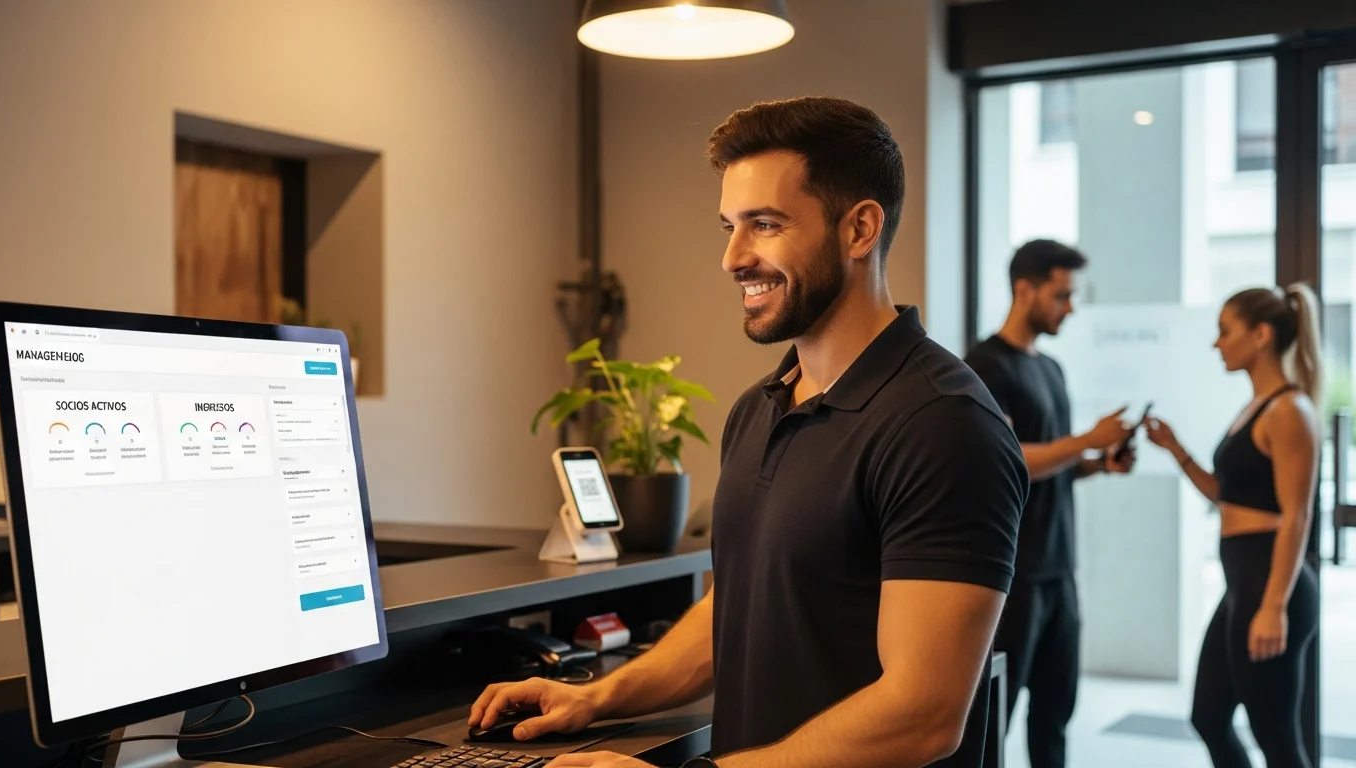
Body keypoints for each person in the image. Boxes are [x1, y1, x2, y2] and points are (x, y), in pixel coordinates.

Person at [469, 96, 1028, 768]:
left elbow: (923, 714)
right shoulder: (760, 407)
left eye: (764, 225)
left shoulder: (942, 424)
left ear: (859, 230)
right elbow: (739, 608)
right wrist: (597, 697)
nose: (733, 257)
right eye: (729, 227)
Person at [962, 239, 1137, 768]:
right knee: (998, 717)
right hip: (1014, 578)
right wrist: (1085, 440)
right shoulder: (985, 365)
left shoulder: (1052, 369)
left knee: (1055, 716)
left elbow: (1051, 461)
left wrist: (1097, 462)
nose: (1070, 307)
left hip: (1059, 571)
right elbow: (1011, 460)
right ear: (1024, 289)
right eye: (1062, 295)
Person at [1144, 285, 1322, 768]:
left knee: (1278, 740)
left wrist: (1273, 607)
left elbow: (1296, 516)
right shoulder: (1255, 408)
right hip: (1243, 586)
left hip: (1272, 587)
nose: (1216, 343)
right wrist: (1176, 449)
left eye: (1225, 331)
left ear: (1261, 335)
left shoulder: (1290, 411)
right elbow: (1226, 496)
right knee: (1209, 718)